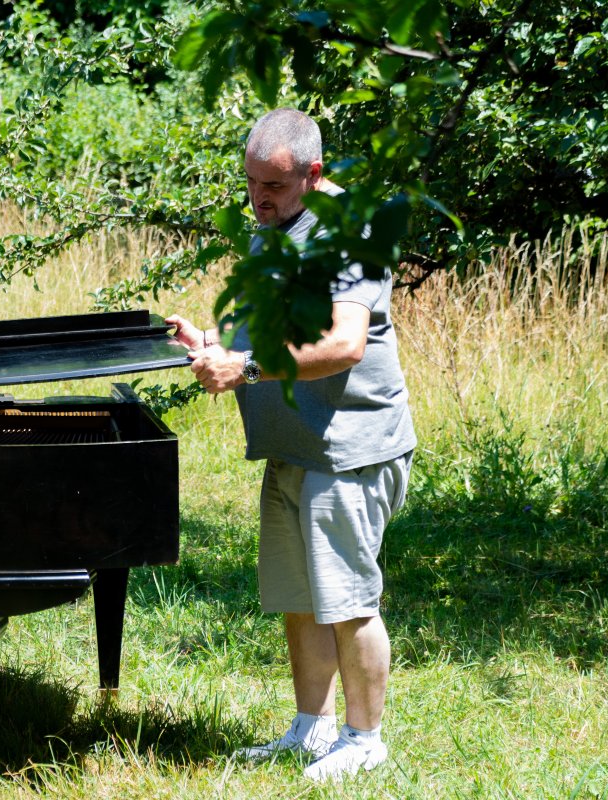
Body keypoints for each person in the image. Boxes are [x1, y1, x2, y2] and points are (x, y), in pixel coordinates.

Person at [166, 107, 416, 782]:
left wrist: (246, 367)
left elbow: (343, 344)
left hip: (350, 449)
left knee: (348, 599)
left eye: (272, 186)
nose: (258, 198)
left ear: (312, 173)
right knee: (301, 596)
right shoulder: (272, 228)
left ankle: (366, 741)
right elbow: (269, 335)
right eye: (251, 184)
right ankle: (312, 730)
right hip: (293, 445)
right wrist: (214, 347)